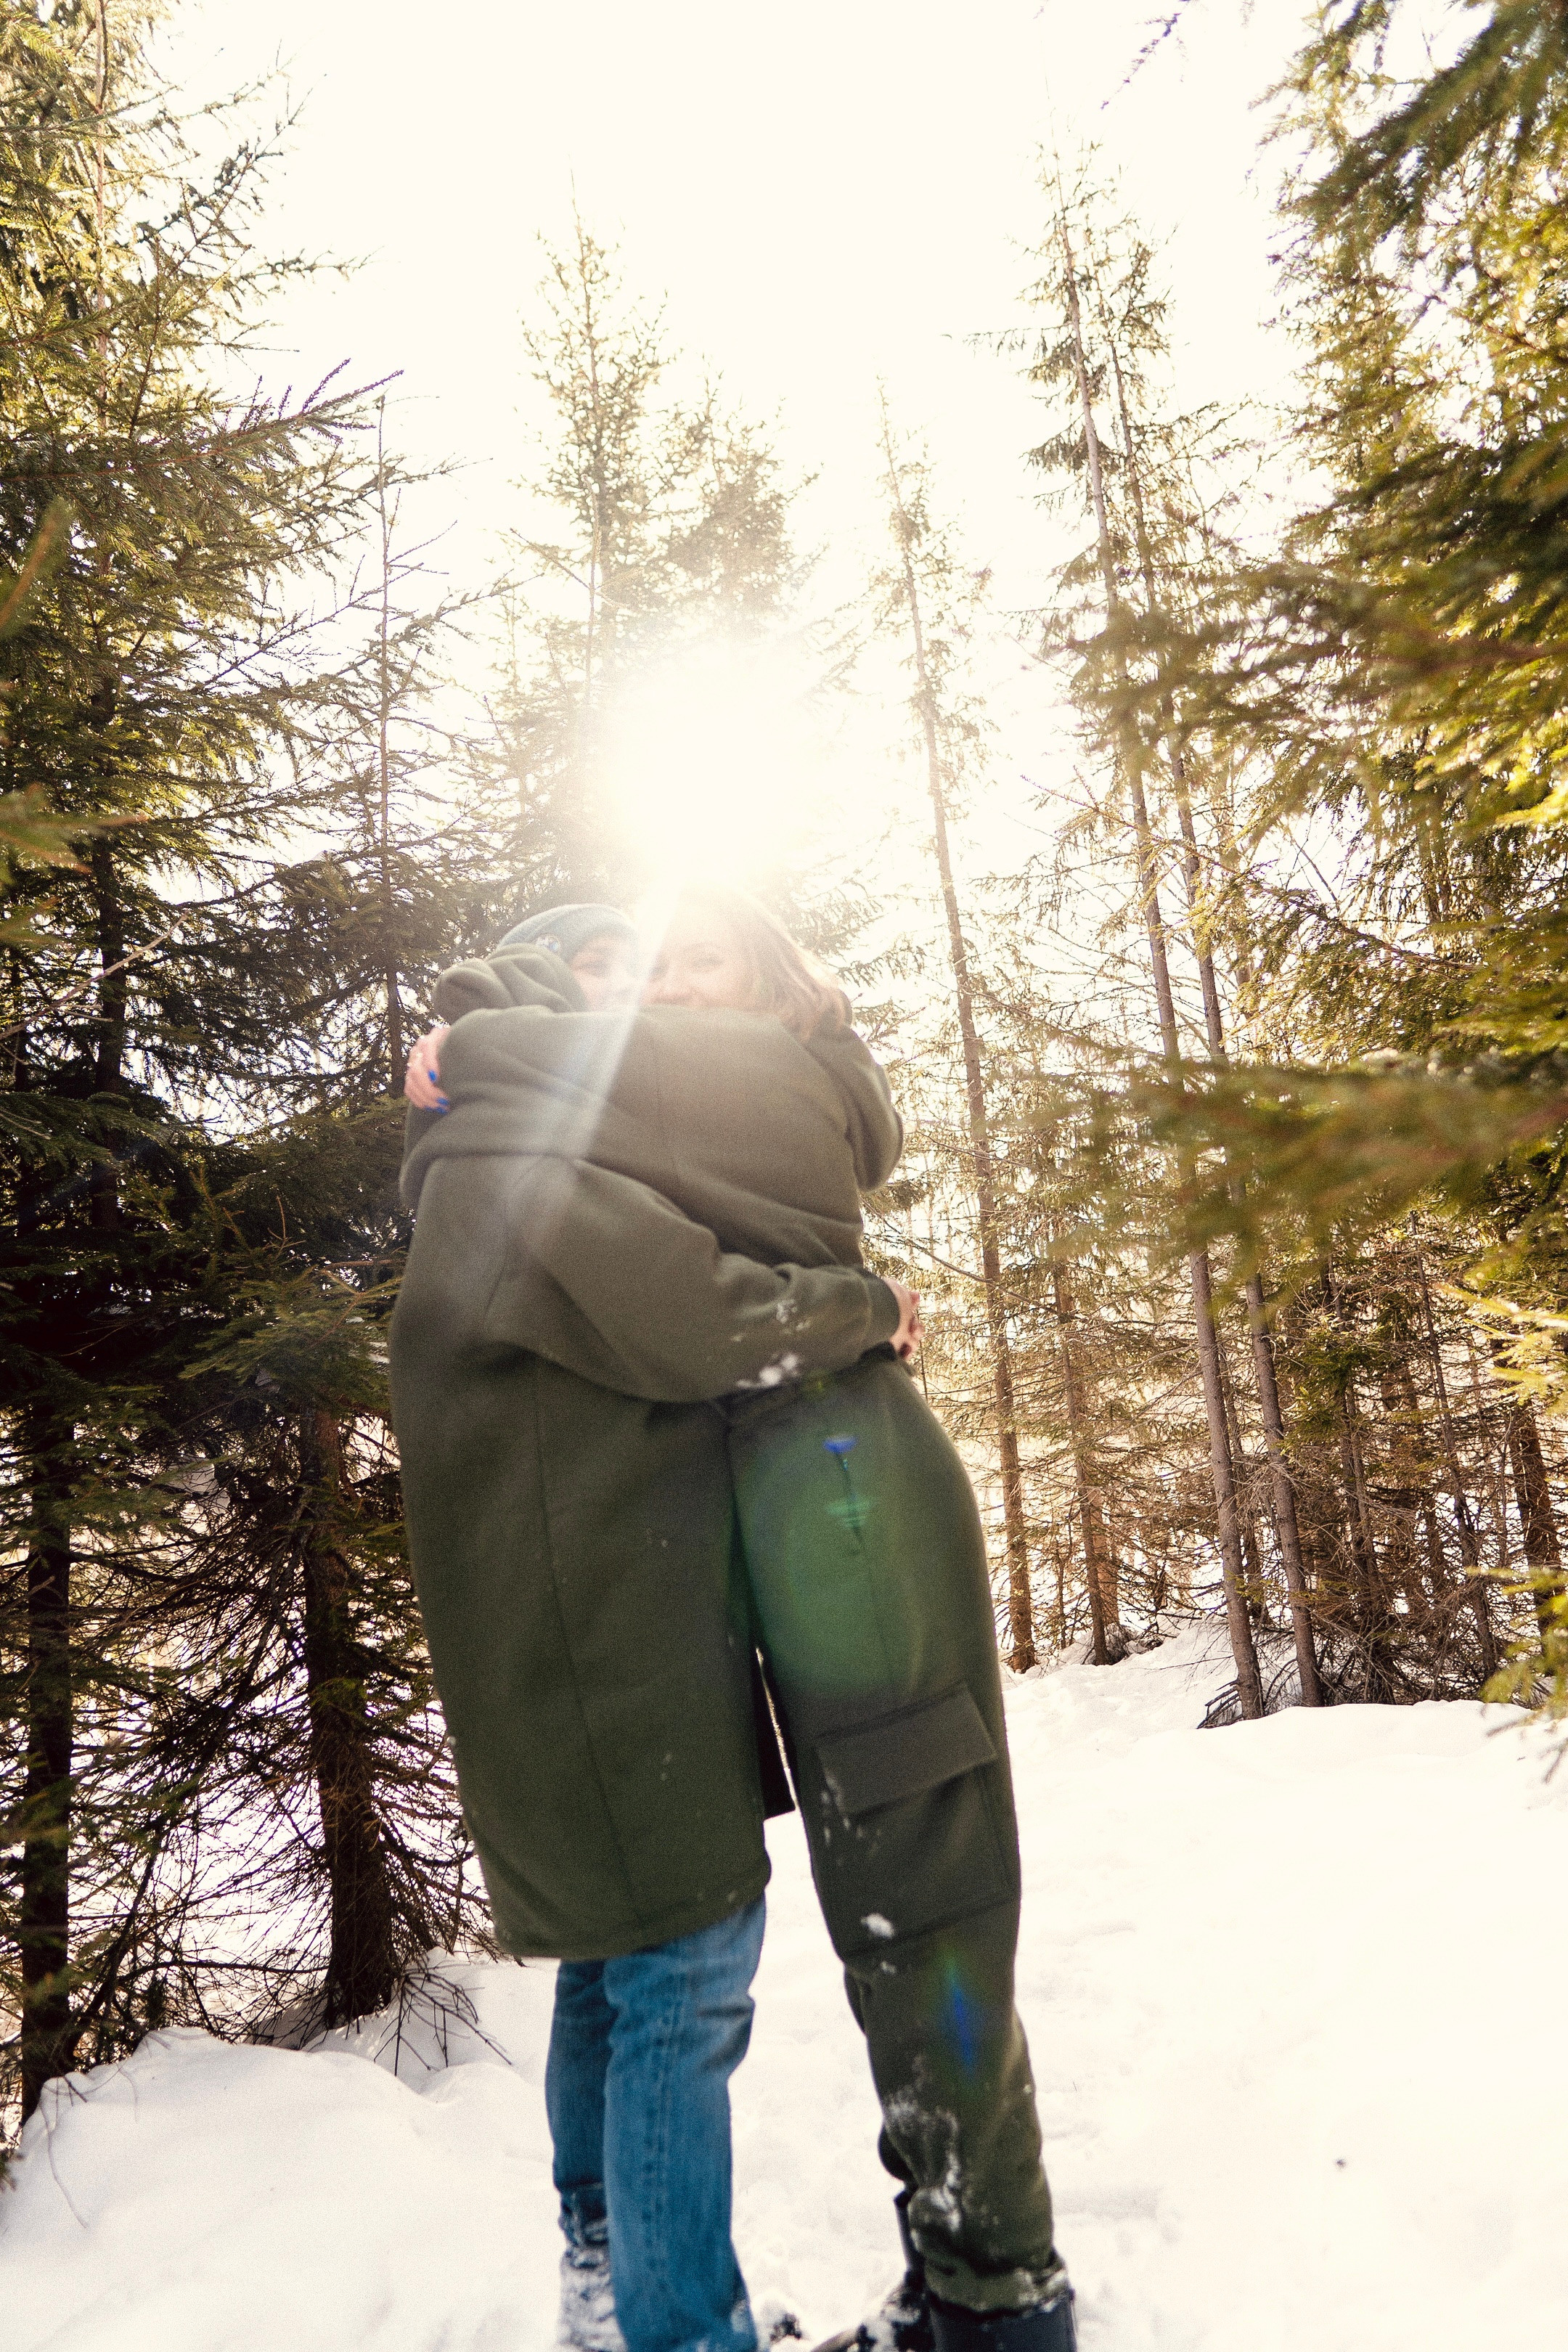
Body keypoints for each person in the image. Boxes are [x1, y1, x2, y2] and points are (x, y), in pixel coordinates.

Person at [401, 889, 1076, 2352]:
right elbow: (694, 1315)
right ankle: (674, 2314)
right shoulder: (527, 1143)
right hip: (632, 1612)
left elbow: (702, 1273)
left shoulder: (630, 1119)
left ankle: (980, 2293)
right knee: (674, 1964)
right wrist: (854, 1301)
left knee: (874, 1921)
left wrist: (481, 1044)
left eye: (681, 966)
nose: (645, 997)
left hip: (801, 1535)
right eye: (606, 972)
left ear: (780, 991)